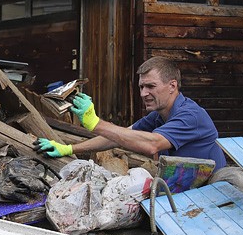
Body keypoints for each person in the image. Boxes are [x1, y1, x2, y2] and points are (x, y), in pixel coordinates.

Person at [34, 56, 227, 170]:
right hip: (185, 186)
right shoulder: (159, 115)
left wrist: (96, 123)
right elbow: (118, 138)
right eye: (141, 87)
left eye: (151, 86)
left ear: (172, 86)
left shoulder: (190, 116)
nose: (144, 93)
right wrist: (68, 149)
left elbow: (153, 144)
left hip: (211, 190)